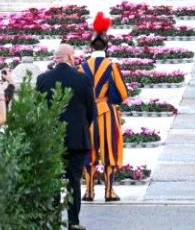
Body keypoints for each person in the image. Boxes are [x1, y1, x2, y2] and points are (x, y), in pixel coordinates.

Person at [36, 43, 95, 230]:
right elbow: (90, 110)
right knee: (74, 181)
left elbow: (38, 108)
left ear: (56, 58)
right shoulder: (82, 79)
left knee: (53, 180)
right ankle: (73, 222)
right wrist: (82, 127)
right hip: (77, 139)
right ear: (70, 57)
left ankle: (53, 219)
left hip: (51, 138)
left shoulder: (43, 79)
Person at [79, 13, 128, 203]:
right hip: (106, 113)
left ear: (90, 46)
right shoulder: (111, 65)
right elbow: (121, 95)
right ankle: (109, 191)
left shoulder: (82, 66)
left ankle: (89, 191)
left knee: (89, 151)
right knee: (109, 151)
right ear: (107, 46)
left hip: (87, 115)